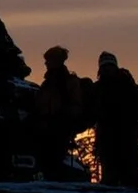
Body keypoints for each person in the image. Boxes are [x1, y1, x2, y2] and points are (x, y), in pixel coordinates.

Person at [33, 46, 95, 181]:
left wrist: (62, 119)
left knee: (54, 157)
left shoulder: (66, 82)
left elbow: (75, 105)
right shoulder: (50, 82)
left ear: (56, 61)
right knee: (49, 157)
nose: (46, 63)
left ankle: (55, 182)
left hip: (59, 126)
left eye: (48, 60)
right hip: (49, 125)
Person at [93, 52, 138, 188]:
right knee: (111, 176)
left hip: (126, 139)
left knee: (128, 175)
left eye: (109, 66)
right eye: (104, 67)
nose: (107, 70)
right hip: (108, 140)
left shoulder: (127, 87)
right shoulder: (99, 88)